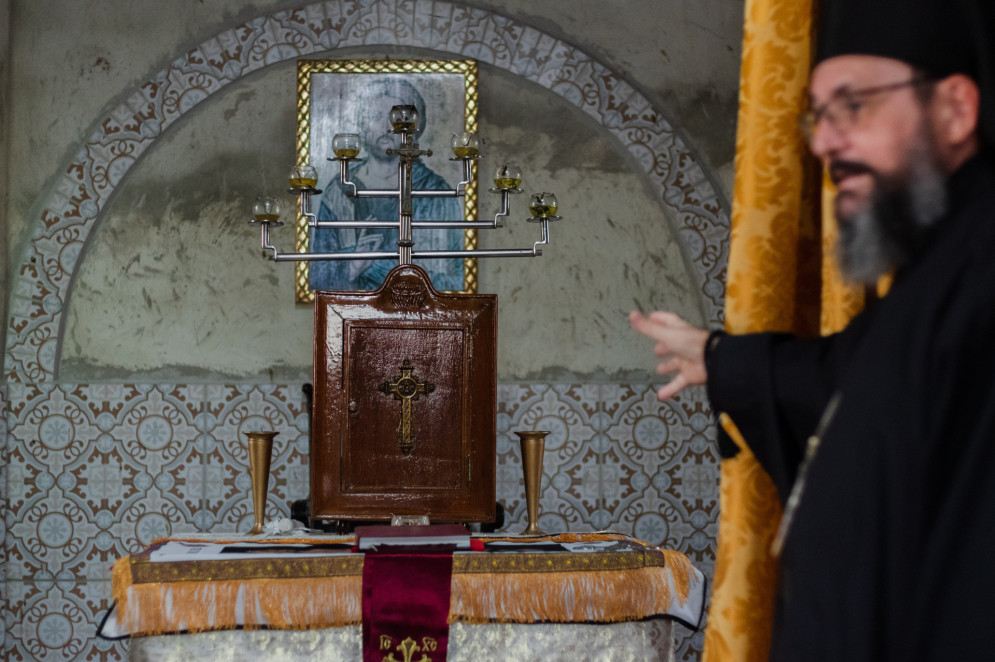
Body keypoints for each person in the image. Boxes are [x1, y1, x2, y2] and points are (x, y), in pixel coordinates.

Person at [631, 0, 995, 659]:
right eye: (818, 114)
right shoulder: (931, 276)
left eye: (853, 105)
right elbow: (842, 379)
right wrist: (721, 359)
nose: (823, 141)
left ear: (955, 108)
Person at [310, 78, 463, 291]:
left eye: (396, 118)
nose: (386, 126)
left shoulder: (435, 192)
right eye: (375, 116)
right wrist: (354, 267)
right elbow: (319, 280)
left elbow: (454, 281)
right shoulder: (340, 191)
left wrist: (374, 266)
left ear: (414, 127)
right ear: (363, 124)